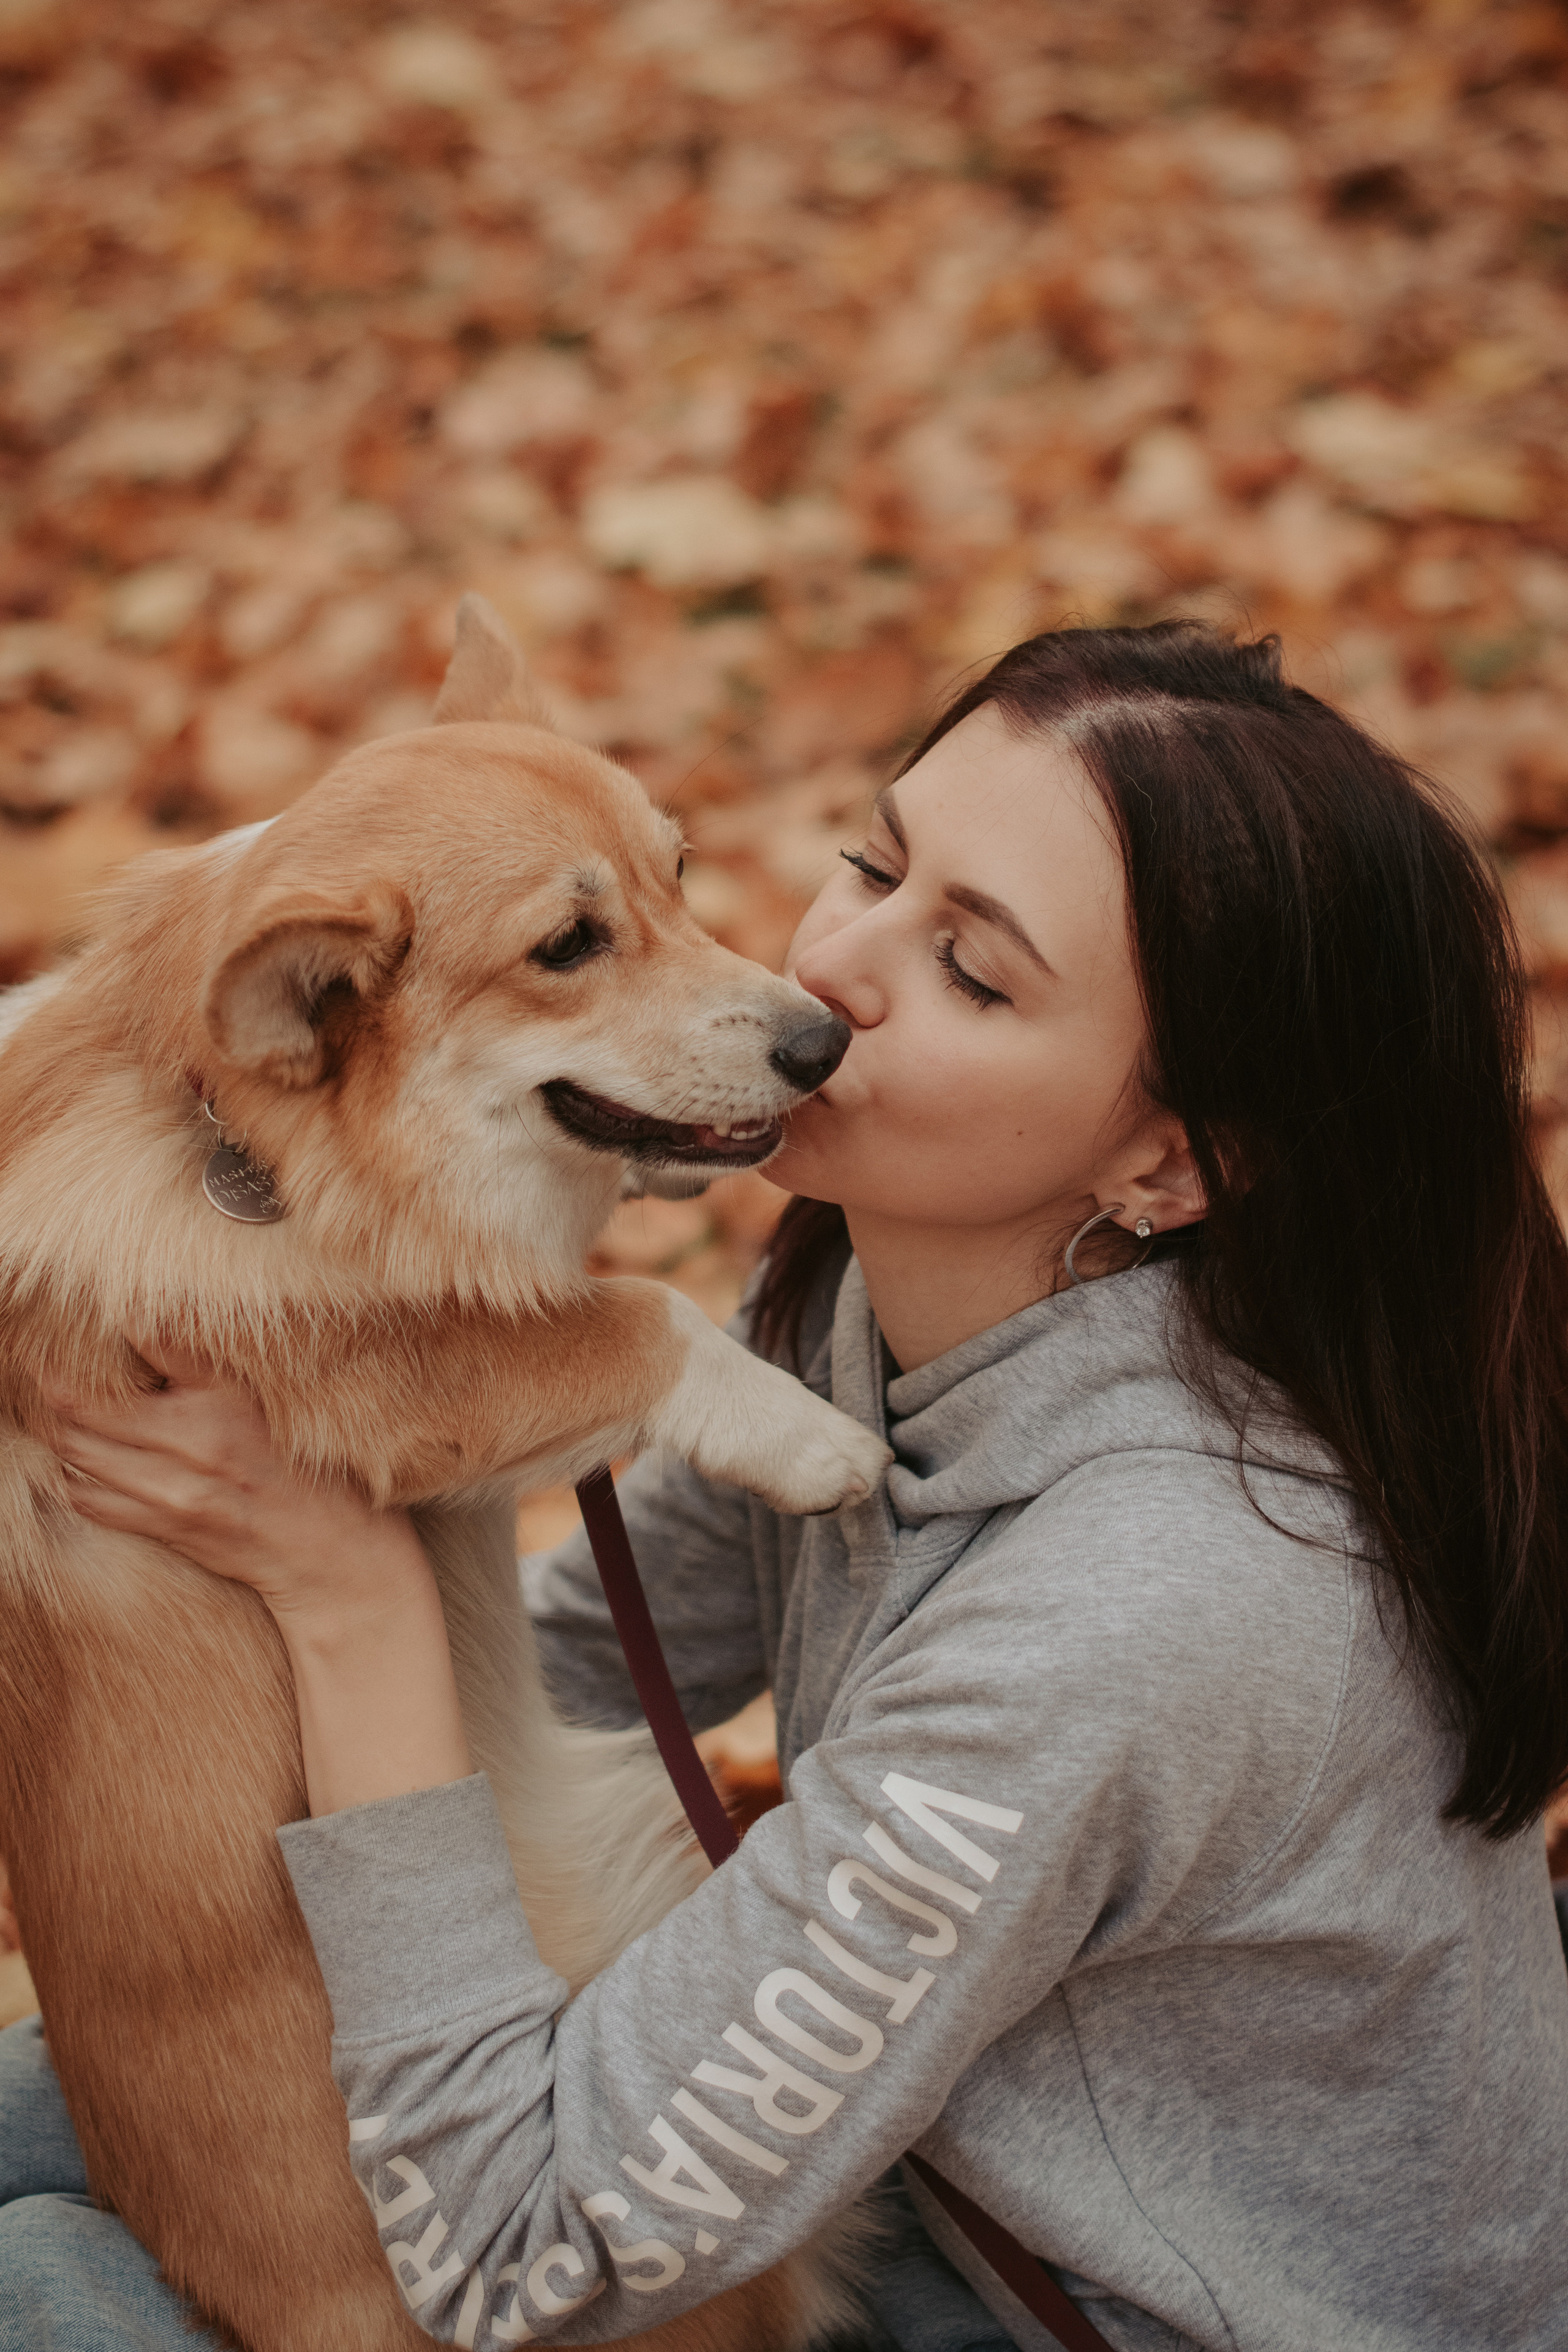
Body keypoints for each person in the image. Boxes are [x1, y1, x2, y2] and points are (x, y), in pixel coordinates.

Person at [4, 620, 1567, 2352]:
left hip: (1068, 2310)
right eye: (873, 867)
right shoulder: (863, 1306)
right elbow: (591, 1655)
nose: (825, 975)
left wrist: (343, 1588)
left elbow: (511, 2249)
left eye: (973, 972)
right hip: (900, 2157)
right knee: (37, 2113)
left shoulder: (1127, 1624)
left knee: (47, 2288)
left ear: (1170, 1159)